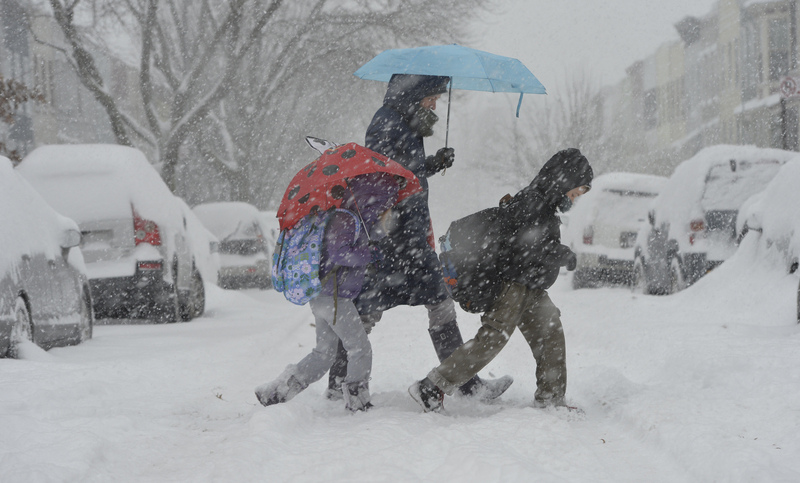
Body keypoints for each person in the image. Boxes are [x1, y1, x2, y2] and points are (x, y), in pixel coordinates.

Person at [325, 74, 512, 400]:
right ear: (417, 94)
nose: (436, 104)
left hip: (407, 235)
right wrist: (412, 180)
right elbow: (381, 174)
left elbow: (403, 169)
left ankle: (464, 384)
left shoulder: (404, 120)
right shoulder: (388, 123)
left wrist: (430, 163)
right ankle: (340, 384)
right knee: (370, 311)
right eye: (432, 97)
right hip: (394, 239)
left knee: (433, 305)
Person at [408, 148, 593, 412]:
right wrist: (560, 254)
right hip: (512, 286)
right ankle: (432, 385)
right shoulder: (531, 201)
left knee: (550, 334)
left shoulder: (546, 205)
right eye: (574, 193)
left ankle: (551, 400)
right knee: (491, 340)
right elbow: (525, 247)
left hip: (532, 287)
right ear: (563, 181)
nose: (573, 200)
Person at [255, 173, 399, 412]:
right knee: (359, 348)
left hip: (325, 296)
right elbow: (339, 254)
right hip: (335, 298)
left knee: (324, 354)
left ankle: (276, 392)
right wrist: (369, 255)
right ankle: (357, 400)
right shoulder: (345, 218)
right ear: (371, 199)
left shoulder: (354, 218)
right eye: (383, 202)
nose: (386, 208)